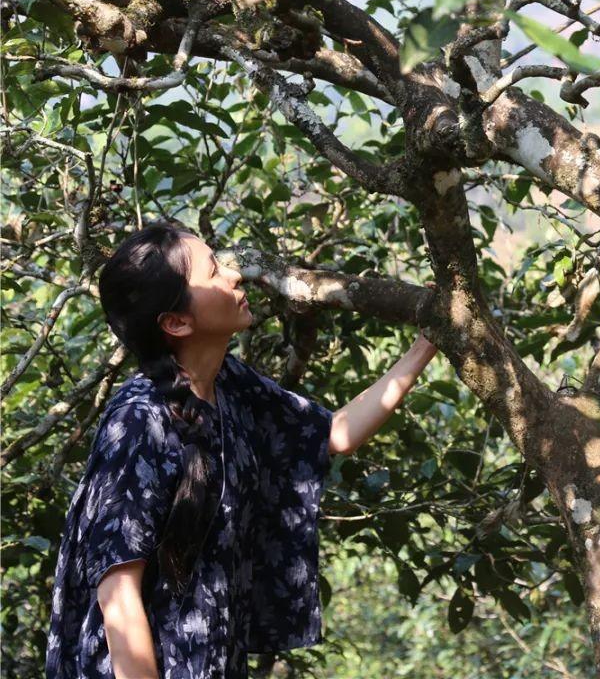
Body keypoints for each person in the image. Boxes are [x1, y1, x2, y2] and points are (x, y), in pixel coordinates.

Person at [45, 220, 440, 678]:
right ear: (176, 321)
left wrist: (426, 345)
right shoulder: (138, 423)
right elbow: (118, 597)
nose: (233, 277)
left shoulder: (230, 384)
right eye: (213, 272)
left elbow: (335, 434)